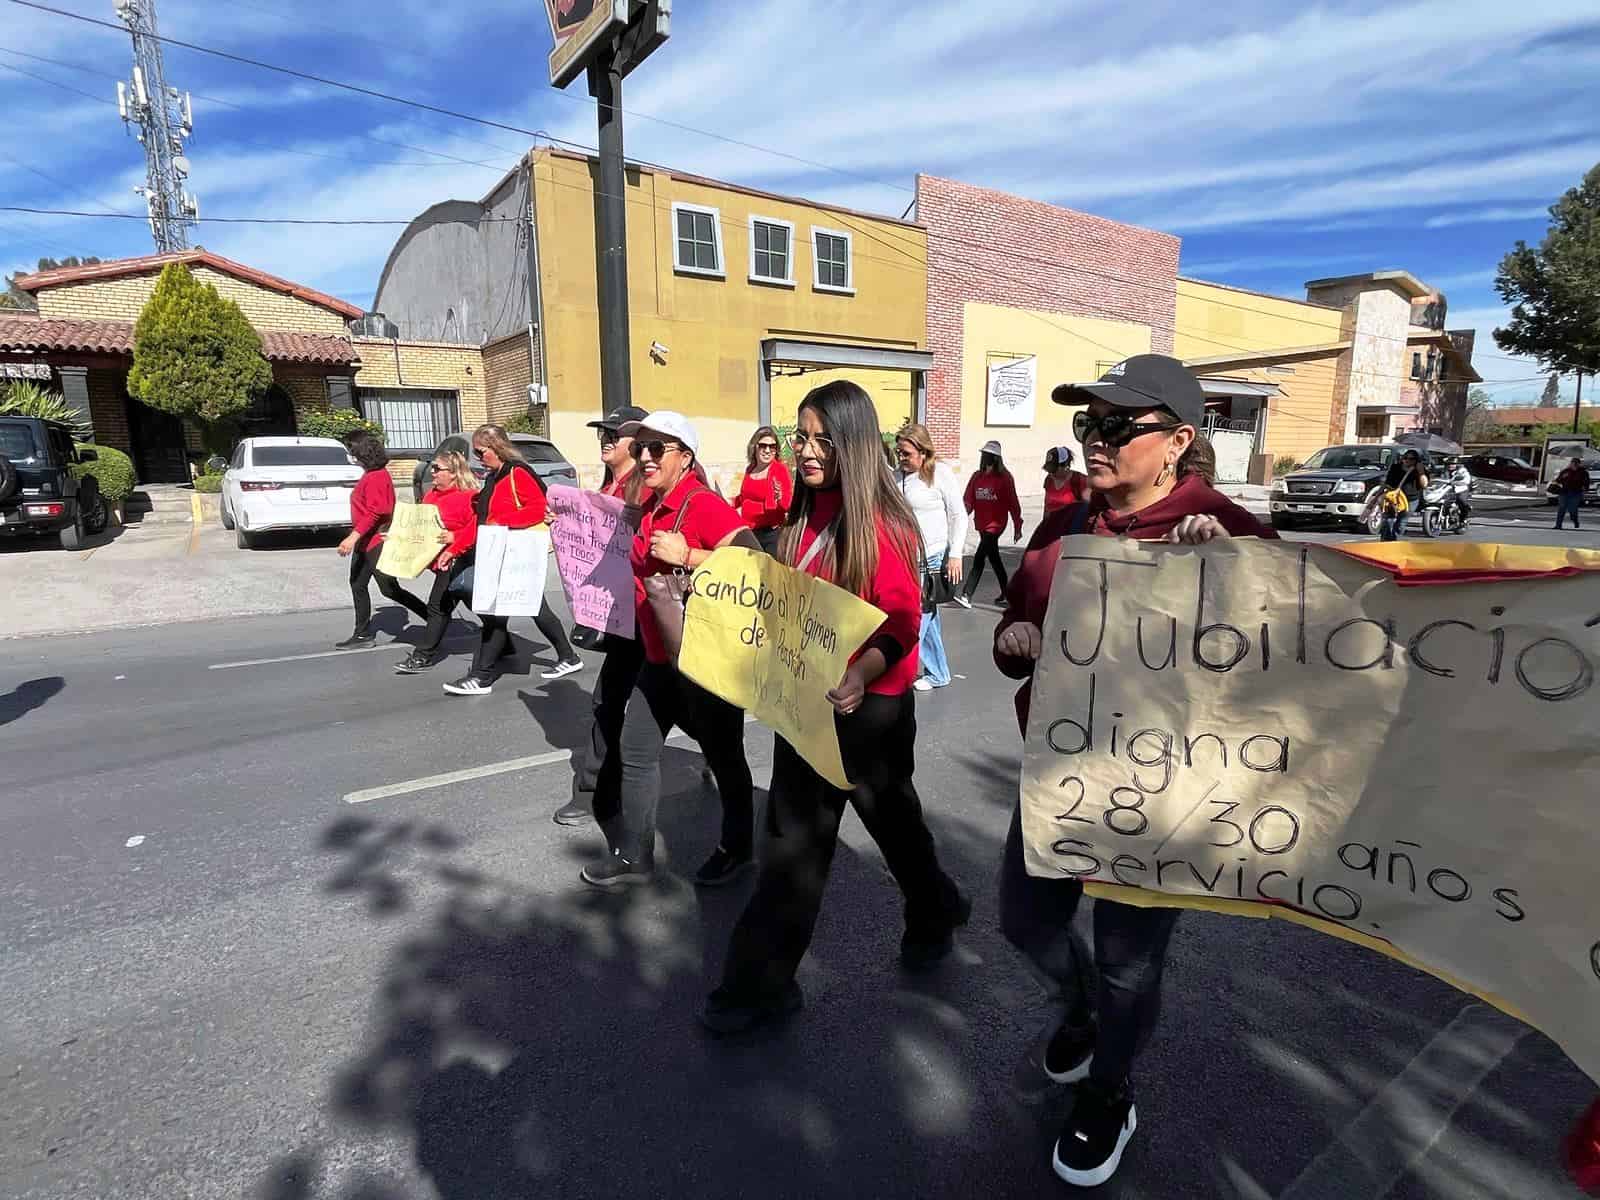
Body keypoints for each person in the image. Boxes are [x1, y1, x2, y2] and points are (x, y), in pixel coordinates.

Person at [994, 355, 1276, 1188]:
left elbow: (1289, 664)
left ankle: (1111, 1090)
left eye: (1120, 426)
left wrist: (1234, 577)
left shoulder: (1225, 527)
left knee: (1128, 962)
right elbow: (1020, 624)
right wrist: (1015, 642)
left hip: (1164, 796)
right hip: (1060, 773)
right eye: (1090, 425)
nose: (1097, 442)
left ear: (1179, 440)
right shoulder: (1064, 529)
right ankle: (1082, 1010)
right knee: (1025, 921)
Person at [702, 381, 971, 1035]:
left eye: (824, 438)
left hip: (870, 710)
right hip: (808, 704)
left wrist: (862, 671)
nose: (809, 450)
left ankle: (933, 908)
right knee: (795, 842)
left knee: (889, 822)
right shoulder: (802, 515)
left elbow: (904, 619)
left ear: (853, 443)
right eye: (803, 436)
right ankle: (757, 987)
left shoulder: (884, 521)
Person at [581, 411, 758, 889]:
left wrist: (691, 556)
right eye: (641, 447)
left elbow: (758, 563)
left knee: (725, 758)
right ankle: (634, 856)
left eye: (658, 449)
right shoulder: (655, 504)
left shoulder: (701, 504)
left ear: (686, 457)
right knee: (636, 749)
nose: (645, 456)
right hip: (659, 657)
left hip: (704, 661)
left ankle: (738, 847)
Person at [554, 405, 650, 827]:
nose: (606, 439)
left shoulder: (647, 485)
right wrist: (563, 524)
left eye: (615, 433)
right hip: (622, 618)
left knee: (678, 704)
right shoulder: (612, 485)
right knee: (608, 701)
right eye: (602, 433)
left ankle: (718, 758)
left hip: (651, 616)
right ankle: (594, 791)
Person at [440, 425, 583, 696]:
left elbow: (538, 509)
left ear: (498, 448)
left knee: (497, 615)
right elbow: (480, 521)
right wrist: (455, 548)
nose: (479, 458)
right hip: (502, 552)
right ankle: (569, 657)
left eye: (482, 452)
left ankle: (480, 677)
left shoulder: (517, 472)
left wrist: (500, 521)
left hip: (515, 552)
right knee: (532, 607)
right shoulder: (494, 477)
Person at [335, 430, 427, 648]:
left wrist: (352, 537)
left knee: (389, 589)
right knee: (358, 584)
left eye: (351, 450)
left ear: (360, 452)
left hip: (375, 542)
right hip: (366, 542)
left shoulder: (376, 476)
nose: (349, 455)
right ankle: (362, 633)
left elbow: (378, 511)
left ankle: (435, 618)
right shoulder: (372, 474)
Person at [894, 423, 967, 692]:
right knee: (928, 615)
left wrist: (956, 554)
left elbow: (958, 515)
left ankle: (899, 671)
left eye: (906, 454)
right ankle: (939, 673)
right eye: (898, 452)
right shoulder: (897, 476)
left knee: (917, 616)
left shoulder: (940, 473)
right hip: (907, 557)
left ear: (923, 452)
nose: (901, 459)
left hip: (932, 557)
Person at [395, 450, 479, 675]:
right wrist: (397, 537)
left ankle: (423, 655)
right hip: (440, 560)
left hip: (459, 559)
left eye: (437, 469)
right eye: (432, 467)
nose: (431, 472)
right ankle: (504, 644)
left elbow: (477, 529)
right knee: (478, 606)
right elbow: (420, 525)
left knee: (437, 606)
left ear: (453, 473)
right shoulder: (432, 495)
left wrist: (454, 539)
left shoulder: (469, 496)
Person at [960, 439, 1022, 607]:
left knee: (979, 558)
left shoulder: (1004, 478)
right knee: (994, 559)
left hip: (996, 525)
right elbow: (968, 499)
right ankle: (1008, 594)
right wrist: (961, 515)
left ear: (995, 458)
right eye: (984, 454)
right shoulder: (977, 476)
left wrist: (1018, 525)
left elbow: (1013, 503)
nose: (984, 457)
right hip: (981, 523)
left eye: (988, 455)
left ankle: (967, 594)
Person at [735, 425, 793, 555]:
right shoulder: (750, 469)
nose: (767, 450)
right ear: (754, 446)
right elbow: (745, 496)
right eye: (763, 446)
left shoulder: (779, 470)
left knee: (770, 573)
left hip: (771, 534)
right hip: (750, 533)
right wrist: (730, 503)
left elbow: (788, 503)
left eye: (772, 447)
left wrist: (780, 497)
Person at [1379, 449, 1428, 541]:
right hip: (1394, 498)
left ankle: (1395, 541)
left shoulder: (1419, 470)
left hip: (1411, 500)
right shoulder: (1395, 467)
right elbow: (1387, 483)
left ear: (1416, 460)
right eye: (1405, 458)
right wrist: (1380, 495)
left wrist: (1421, 472)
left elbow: (1424, 485)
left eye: (1411, 459)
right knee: (1388, 520)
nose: (1407, 460)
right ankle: (1385, 541)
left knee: (1401, 522)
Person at [1043, 445, 1089, 513]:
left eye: (1053, 469)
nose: (1051, 473)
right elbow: (1047, 507)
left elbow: (1090, 509)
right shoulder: (1049, 480)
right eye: (1049, 470)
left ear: (1065, 465)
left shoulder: (1080, 481)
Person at [1555, 455, 1590, 531]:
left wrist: (1584, 488)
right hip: (1564, 492)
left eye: (1575, 463)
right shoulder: (1565, 471)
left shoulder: (1583, 472)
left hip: (1576, 493)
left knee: (1572, 510)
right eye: (1572, 463)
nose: (1573, 465)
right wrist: (1563, 477)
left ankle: (1575, 520)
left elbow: (1586, 483)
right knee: (1561, 508)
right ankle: (1558, 525)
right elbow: (1558, 480)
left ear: (1578, 464)